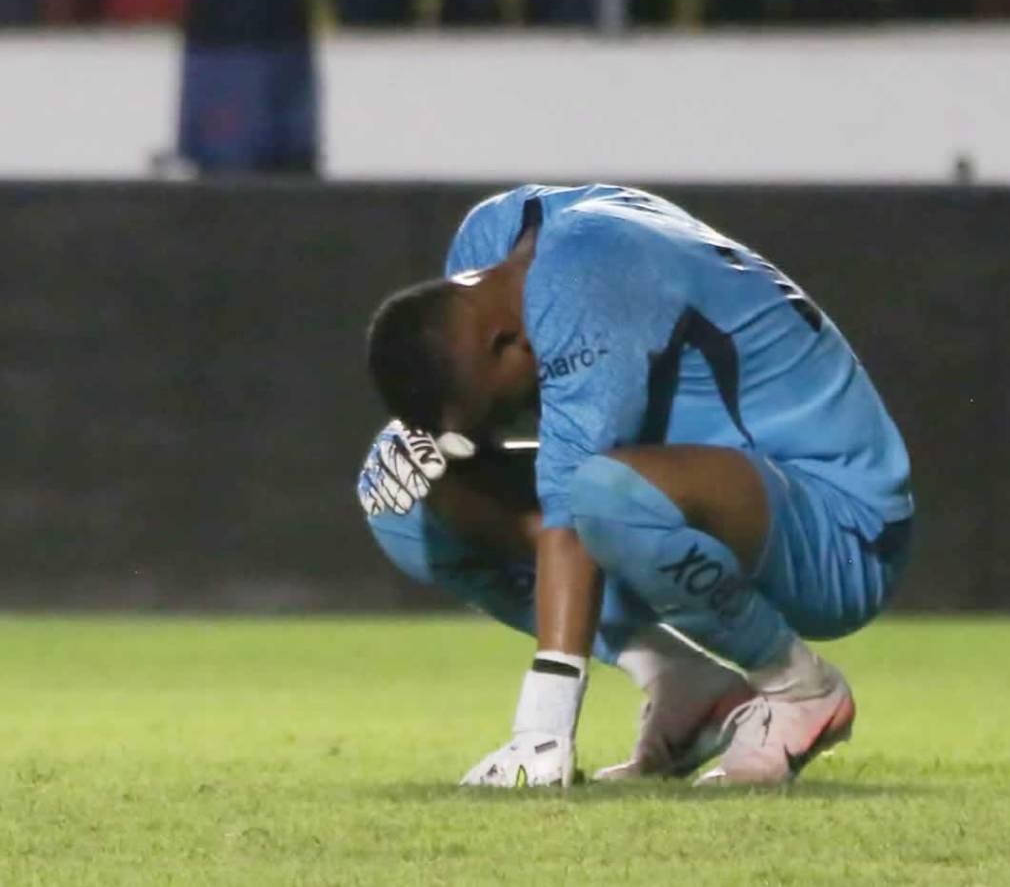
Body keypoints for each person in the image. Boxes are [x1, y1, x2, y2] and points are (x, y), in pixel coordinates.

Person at [358, 185, 914, 787]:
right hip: (685, 495)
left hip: (843, 529)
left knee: (604, 497)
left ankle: (801, 688)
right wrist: (430, 454)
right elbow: (535, 452)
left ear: (504, 343)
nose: (495, 426)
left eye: (489, 412)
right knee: (409, 505)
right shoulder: (492, 251)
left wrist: (540, 732)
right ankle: (684, 682)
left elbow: (570, 506)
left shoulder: (584, 270)